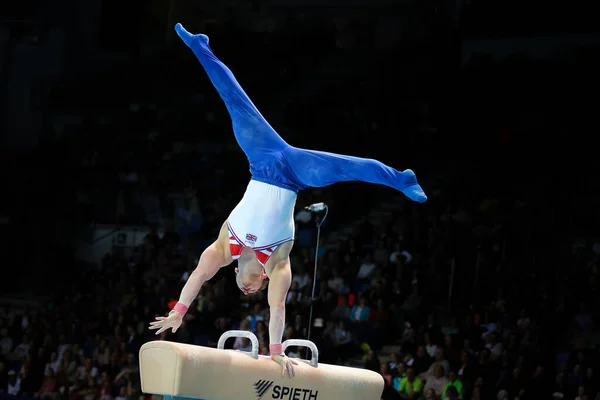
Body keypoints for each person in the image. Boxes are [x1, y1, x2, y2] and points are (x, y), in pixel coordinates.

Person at [149, 23, 427, 378]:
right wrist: (275, 352)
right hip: (295, 174)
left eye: (242, 287)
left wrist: (179, 311)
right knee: (348, 168)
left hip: (262, 159)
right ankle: (401, 179)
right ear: (262, 279)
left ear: (235, 272)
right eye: (254, 289)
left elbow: (200, 276)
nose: (249, 289)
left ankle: (199, 46)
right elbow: (277, 308)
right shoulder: (278, 263)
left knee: (234, 100)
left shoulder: (222, 247)